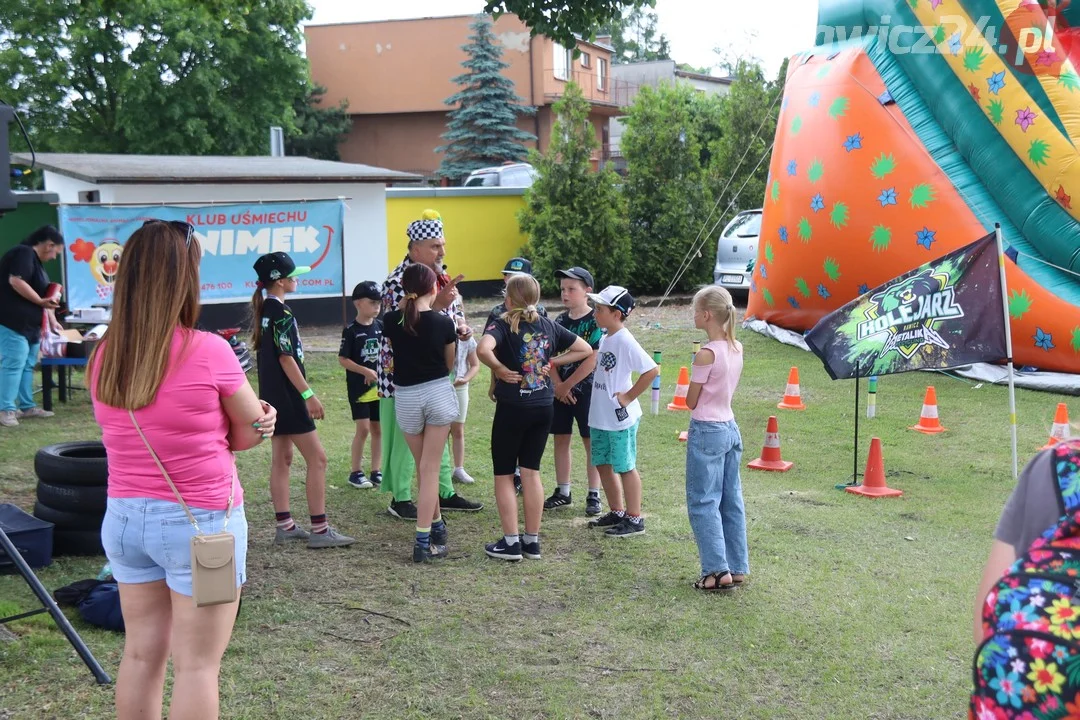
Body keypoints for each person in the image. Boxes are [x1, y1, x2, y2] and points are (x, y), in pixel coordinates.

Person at [91, 219, 277, 720]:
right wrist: (264, 422)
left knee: (140, 653)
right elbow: (247, 434)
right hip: (201, 524)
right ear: (184, 277)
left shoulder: (105, 355)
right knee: (196, 667)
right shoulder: (210, 350)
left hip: (125, 520)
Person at [477, 274, 593, 561]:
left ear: (508, 298)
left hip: (513, 407)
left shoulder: (502, 323)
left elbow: (482, 349)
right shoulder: (548, 324)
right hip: (544, 405)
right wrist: (551, 361)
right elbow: (585, 349)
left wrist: (499, 369)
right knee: (531, 472)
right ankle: (532, 541)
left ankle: (511, 542)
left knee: (504, 474)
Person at [378, 209, 482, 520]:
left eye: (443, 244)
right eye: (436, 245)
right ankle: (401, 497)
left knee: (440, 433)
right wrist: (438, 307)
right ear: (416, 248)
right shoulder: (398, 281)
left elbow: (448, 314)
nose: (442, 251)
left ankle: (443, 492)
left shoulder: (441, 276)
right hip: (403, 375)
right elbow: (401, 325)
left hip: (435, 373)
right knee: (405, 436)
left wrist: (459, 325)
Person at [252, 251, 355, 549]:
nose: (296, 279)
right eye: (293, 275)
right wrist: (308, 394)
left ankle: (284, 525)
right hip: (289, 397)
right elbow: (286, 359)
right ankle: (320, 530)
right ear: (280, 282)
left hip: (272, 397)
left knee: (282, 459)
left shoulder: (266, 310)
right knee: (318, 459)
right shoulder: (281, 314)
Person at [383, 263, 460, 563]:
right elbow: (449, 364)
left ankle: (437, 527)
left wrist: (407, 299)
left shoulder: (392, 320)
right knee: (429, 470)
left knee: (423, 468)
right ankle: (422, 540)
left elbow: (400, 315)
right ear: (433, 288)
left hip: (406, 397)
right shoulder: (444, 324)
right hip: (437, 392)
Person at [684, 285, 748, 591]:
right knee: (730, 499)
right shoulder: (736, 347)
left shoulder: (706, 354)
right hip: (729, 426)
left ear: (706, 315)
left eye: (695, 310)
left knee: (703, 501)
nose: (693, 315)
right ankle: (736, 566)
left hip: (707, 429)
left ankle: (715, 570)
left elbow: (691, 401)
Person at [585, 286, 659, 538]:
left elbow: (651, 370)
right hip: (600, 416)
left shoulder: (625, 340)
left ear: (617, 314)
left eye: (600, 309)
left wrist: (627, 397)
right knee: (603, 464)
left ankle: (635, 518)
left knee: (625, 466)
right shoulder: (606, 337)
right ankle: (617, 511)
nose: (595, 313)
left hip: (619, 419)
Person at [545, 267, 605, 516]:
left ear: (587, 292)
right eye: (562, 289)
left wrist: (568, 385)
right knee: (561, 438)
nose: (565, 294)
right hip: (559, 391)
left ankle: (594, 493)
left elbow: (593, 357)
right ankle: (563, 491)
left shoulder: (596, 320)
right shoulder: (558, 321)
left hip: (587, 391)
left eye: (572, 289)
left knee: (590, 441)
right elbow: (550, 357)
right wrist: (558, 386)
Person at [485, 256, 547, 494]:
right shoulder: (498, 313)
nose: (510, 280)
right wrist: (495, 379)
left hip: (533, 388)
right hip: (511, 387)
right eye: (507, 275)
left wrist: (548, 367)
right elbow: (493, 352)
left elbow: (544, 348)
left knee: (526, 456)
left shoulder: (539, 313)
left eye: (516, 277)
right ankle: (517, 473)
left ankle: (520, 473)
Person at [0, 225, 64, 427]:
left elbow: (45, 296)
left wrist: (52, 319)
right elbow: (16, 281)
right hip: (11, 321)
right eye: (56, 252)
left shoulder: (37, 263)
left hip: (32, 325)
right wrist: (40, 302)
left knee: (27, 364)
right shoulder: (23, 252)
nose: (54, 257)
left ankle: (27, 406)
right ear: (49, 245)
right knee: (13, 363)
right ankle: (5, 409)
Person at [338, 281, 383, 490]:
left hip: (379, 388)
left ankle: (376, 470)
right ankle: (355, 472)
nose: (376, 307)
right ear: (358, 303)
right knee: (363, 429)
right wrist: (364, 371)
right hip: (359, 387)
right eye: (372, 303)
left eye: (379, 303)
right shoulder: (351, 331)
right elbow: (343, 359)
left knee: (378, 429)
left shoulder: (381, 327)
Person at [450, 333, 480, 484]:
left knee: (458, 429)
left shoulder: (466, 338)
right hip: (438, 385)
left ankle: (459, 468)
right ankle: (438, 468)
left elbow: (475, 364)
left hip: (460, 387)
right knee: (438, 431)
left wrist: (465, 379)